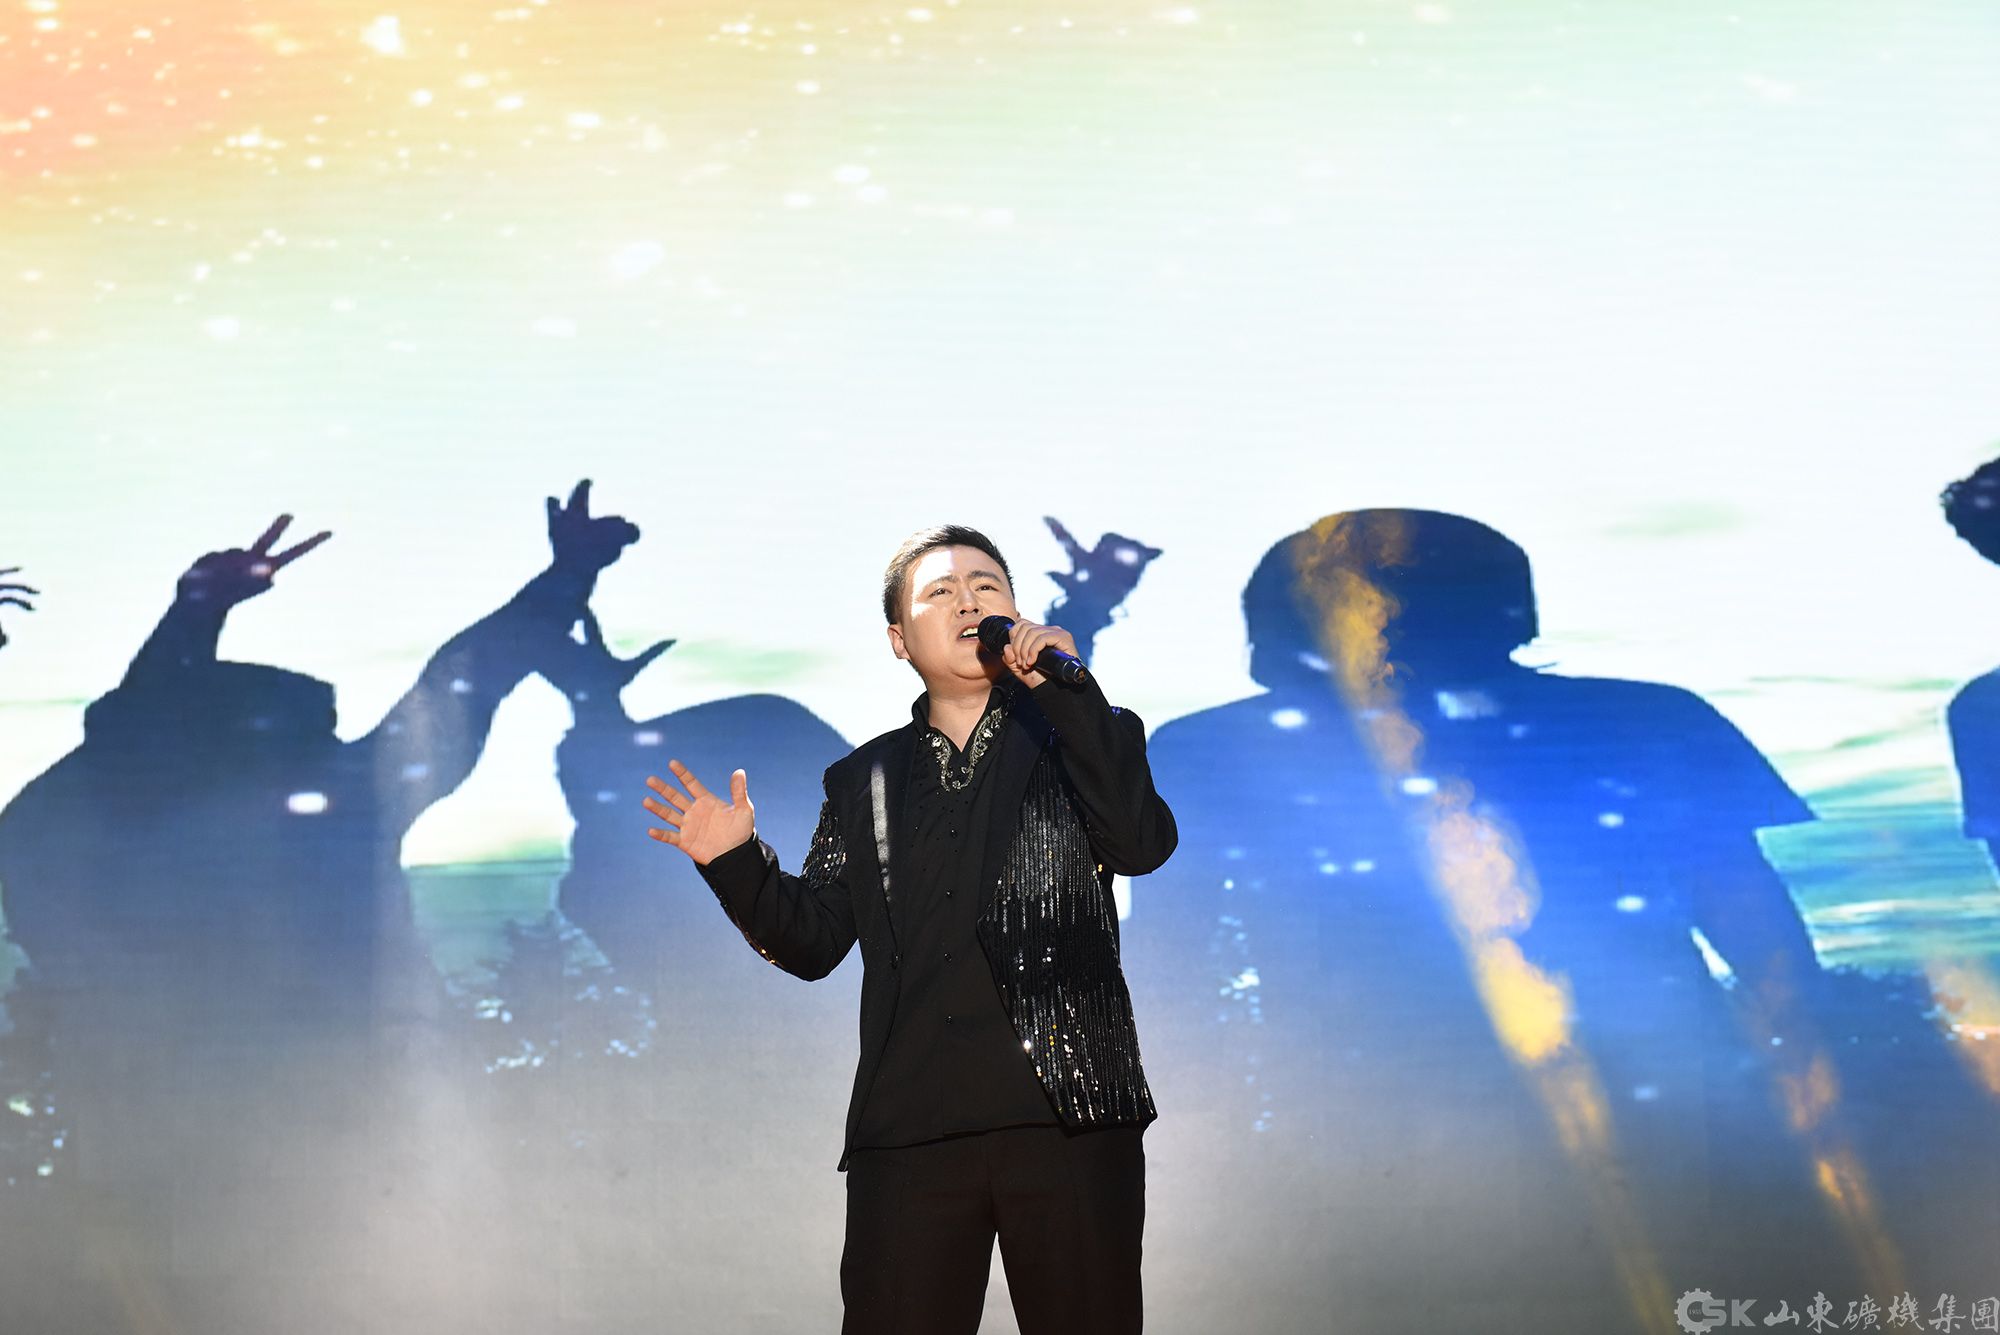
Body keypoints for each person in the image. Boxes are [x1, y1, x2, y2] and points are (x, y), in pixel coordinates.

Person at [640, 523, 1176, 1335]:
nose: (968, 601)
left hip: (1068, 1112)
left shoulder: (1085, 732)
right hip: (909, 1127)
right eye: (941, 591)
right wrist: (735, 862)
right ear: (899, 638)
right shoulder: (862, 778)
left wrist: (1071, 696)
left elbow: (1141, 844)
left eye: (987, 586)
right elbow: (814, 940)